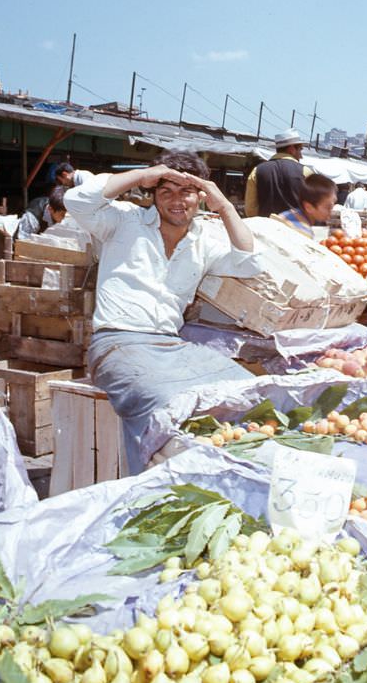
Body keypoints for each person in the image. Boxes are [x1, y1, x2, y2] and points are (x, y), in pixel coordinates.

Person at [64, 150, 262, 472]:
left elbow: (249, 262)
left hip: (173, 346)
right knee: (160, 403)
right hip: (118, 344)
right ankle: (149, 486)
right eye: (166, 192)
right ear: (152, 195)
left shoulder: (205, 240)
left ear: (200, 196)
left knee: (247, 390)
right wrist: (143, 174)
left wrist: (224, 205)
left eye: (186, 192)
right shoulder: (123, 221)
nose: (176, 202)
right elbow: (78, 201)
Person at [244, 129, 312, 217]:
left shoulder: (257, 171)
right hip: (296, 229)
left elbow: (250, 209)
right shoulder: (305, 171)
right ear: (291, 149)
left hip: (266, 228)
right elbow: (313, 207)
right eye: (300, 150)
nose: (301, 156)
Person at [272, 174, 338, 240]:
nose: (332, 211)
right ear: (309, 207)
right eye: (328, 207)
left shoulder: (290, 214)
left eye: (334, 204)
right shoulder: (303, 234)